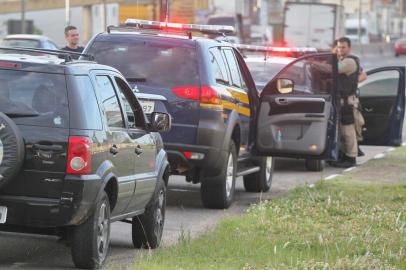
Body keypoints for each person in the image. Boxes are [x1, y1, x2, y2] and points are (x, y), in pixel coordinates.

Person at [331, 37, 362, 168]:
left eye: (343, 47)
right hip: (342, 102)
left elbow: (333, 70)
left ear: (349, 48)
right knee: (343, 131)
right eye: (338, 47)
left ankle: (351, 158)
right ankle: (345, 155)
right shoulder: (342, 60)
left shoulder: (349, 62)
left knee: (348, 131)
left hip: (347, 102)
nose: (340, 49)